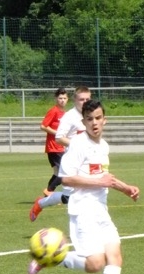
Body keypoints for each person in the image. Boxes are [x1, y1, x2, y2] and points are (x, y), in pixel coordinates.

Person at [28, 100, 140, 274]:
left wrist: (126, 188)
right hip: (83, 210)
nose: (94, 123)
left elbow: (104, 177)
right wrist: (99, 182)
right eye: (89, 119)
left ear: (104, 120)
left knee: (115, 256)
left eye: (98, 118)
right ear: (84, 122)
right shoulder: (78, 144)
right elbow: (66, 179)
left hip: (101, 210)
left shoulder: (103, 146)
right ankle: (51, 259)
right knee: (95, 264)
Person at [30, 86, 92, 222]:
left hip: (88, 161)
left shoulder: (91, 114)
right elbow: (58, 137)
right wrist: (77, 145)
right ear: (75, 100)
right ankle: (41, 202)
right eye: (82, 99)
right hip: (70, 160)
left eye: (87, 99)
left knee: (90, 194)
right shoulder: (69, 116)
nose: (85, 102)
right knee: (68, 197)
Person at [38, 88, 68, 197]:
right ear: (56, 99)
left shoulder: (64, 113)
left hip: (60, 147)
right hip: (54, 147)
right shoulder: (54, 111)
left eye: (64, 98)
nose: (62, 100)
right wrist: (57, 133)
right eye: (60, 98)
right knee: (63, 173)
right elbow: (43, 126)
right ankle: (49, 191)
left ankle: (48, 195)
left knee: (57, 173)